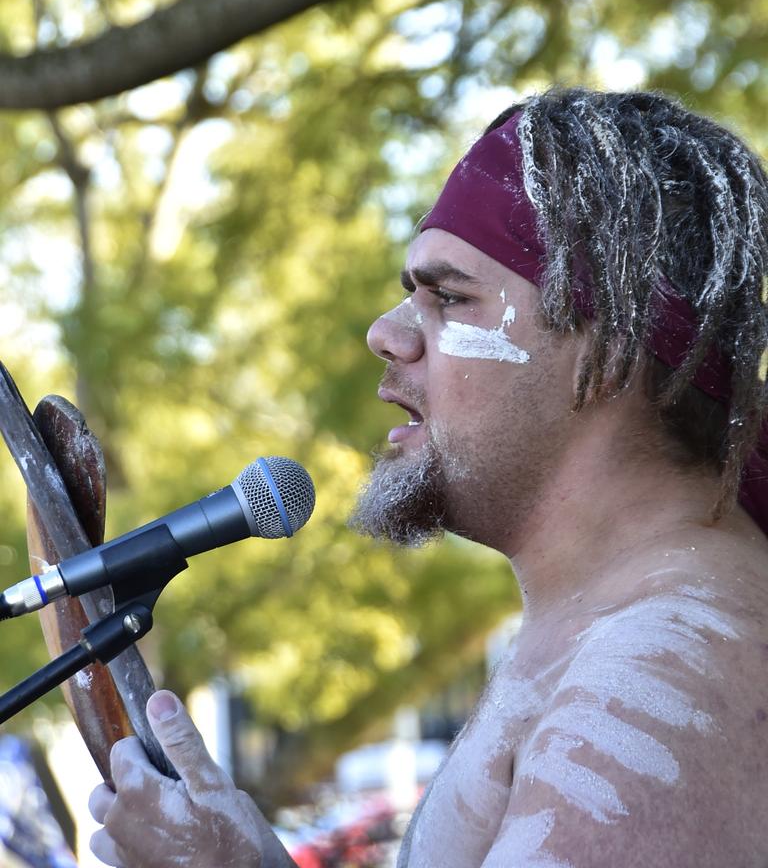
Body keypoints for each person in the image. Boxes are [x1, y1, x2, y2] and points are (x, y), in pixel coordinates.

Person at [89, 88, 768, 867]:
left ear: (610, 349)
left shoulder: (666, 671)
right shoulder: (623, 623)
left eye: (448, 297)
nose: (387, 333)